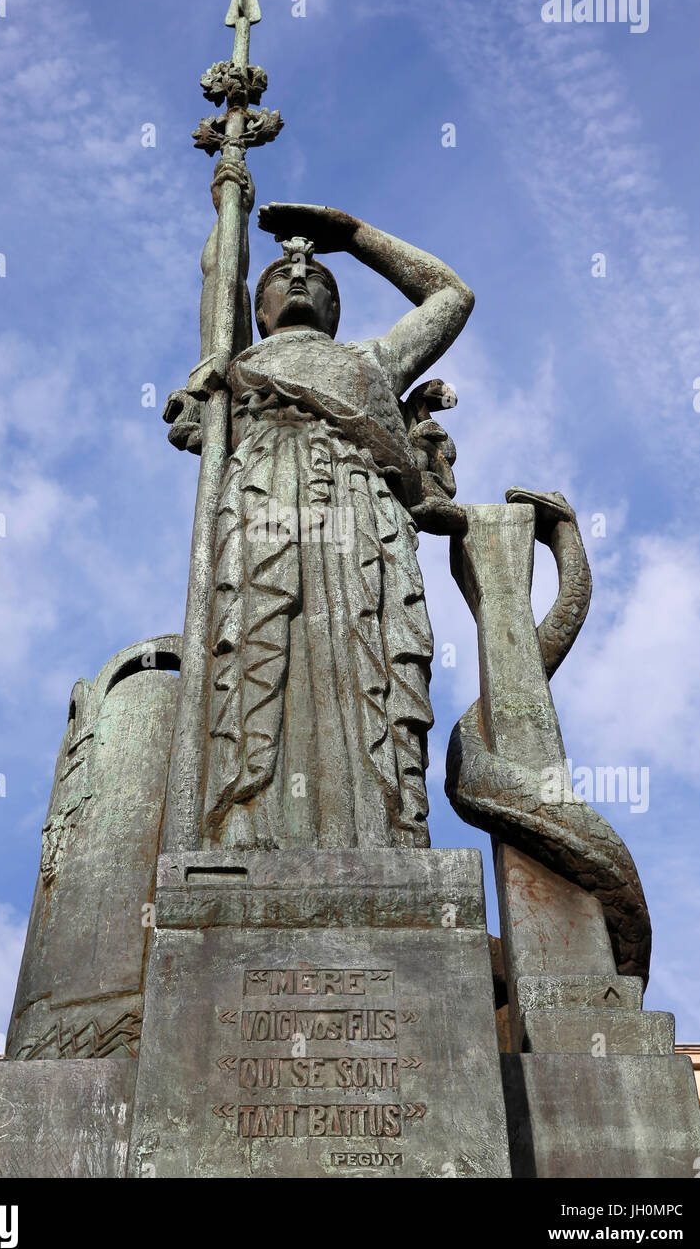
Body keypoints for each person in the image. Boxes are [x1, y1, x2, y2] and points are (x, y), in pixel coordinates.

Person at [165, 184, 474, 850]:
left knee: (366, 649)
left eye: (318, 277)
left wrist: (354, 234)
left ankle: (387, 827)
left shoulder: (372, 361)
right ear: (258, 309)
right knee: (259, 637)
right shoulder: (236, 363)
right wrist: (230, 202)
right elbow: (220, 272)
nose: (301, 276)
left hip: (357, 505)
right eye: (282, 276)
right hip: (263, 499)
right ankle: (245, 819)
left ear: (337, 310)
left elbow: (452, 296)